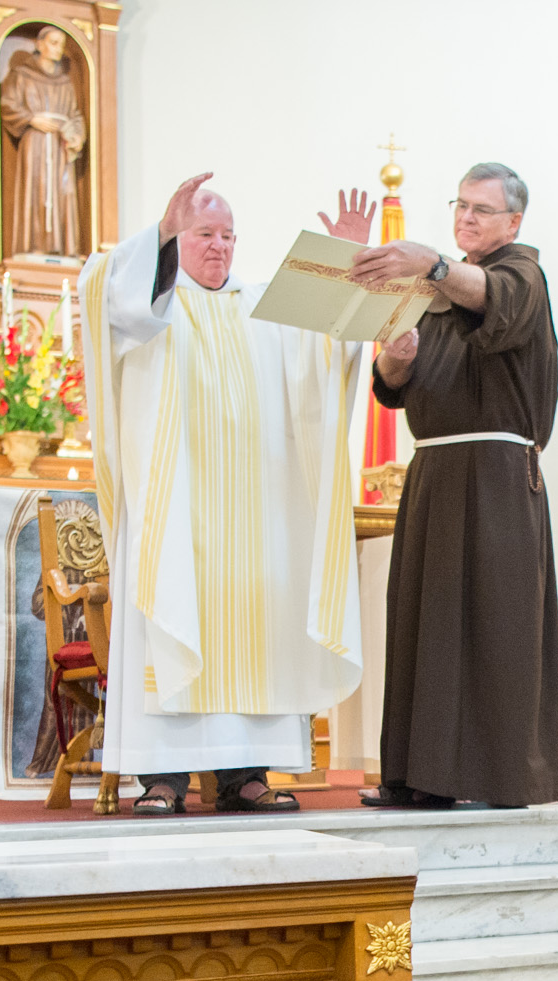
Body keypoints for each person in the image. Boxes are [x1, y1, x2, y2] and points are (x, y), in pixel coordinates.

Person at [82, 173, 371, 814]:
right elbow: (110, 297)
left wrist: (349, 267)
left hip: (256, 519)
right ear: (177, 238)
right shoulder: (153, 304)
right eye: (204, 234)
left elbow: (328, 352)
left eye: (228, 236)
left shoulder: (264, 307)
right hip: (173, 514)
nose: (219, 247)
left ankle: (246, 776)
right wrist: (156, 234)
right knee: (173, 618)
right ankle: (162, 779)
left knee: (257, 635)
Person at [352, 163, 558, 810]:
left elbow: (488, 297)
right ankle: (420, 776)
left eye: (482, 209)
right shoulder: (430, 296)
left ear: (513, 222)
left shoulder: (522, 276)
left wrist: (435, 264)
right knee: (425, 628)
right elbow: (394, 386)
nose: (467, 217)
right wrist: (397, 359)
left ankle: (496, 777)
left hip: (499, 479)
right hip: (434, 474)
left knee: (495, 627)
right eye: (461, 205)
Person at [0, 25, 88, 259]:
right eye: (53, 43)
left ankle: (64, 249)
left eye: (61, 44)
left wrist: (75, 136)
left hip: (60, 146)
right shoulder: (21, 75)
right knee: (36, 189)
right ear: (39, 45)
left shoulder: (65, 83)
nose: (58, 49)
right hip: (35, 143)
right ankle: (33, 247)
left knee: (62, 192)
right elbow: (8, 104)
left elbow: (75, 115)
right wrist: (31, 119)